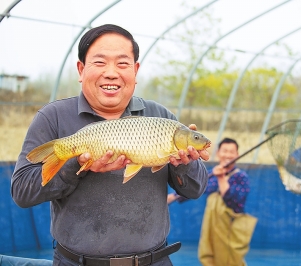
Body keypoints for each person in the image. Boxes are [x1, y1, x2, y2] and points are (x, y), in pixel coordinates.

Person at [11, 24, 210, 266]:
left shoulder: (161, 118)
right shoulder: (53, 117)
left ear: (135, 71)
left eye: (123, 64)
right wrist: (76, 166)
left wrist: (184, 165)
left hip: (153, 261)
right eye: (100, 62)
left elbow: (196, 189)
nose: (112, 73)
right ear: (81, 69)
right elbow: (21, 192)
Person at [168, 138, 257, 266]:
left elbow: (234, 202)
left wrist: (221, 178)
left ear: (237, 155)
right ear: (218, 153)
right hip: (213, 231)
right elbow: (195, 190)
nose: (228, 155)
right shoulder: (211, 175)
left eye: (232, 152)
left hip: (232, 230)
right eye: (225, 151)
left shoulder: (241, 177)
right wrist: (171, 197)